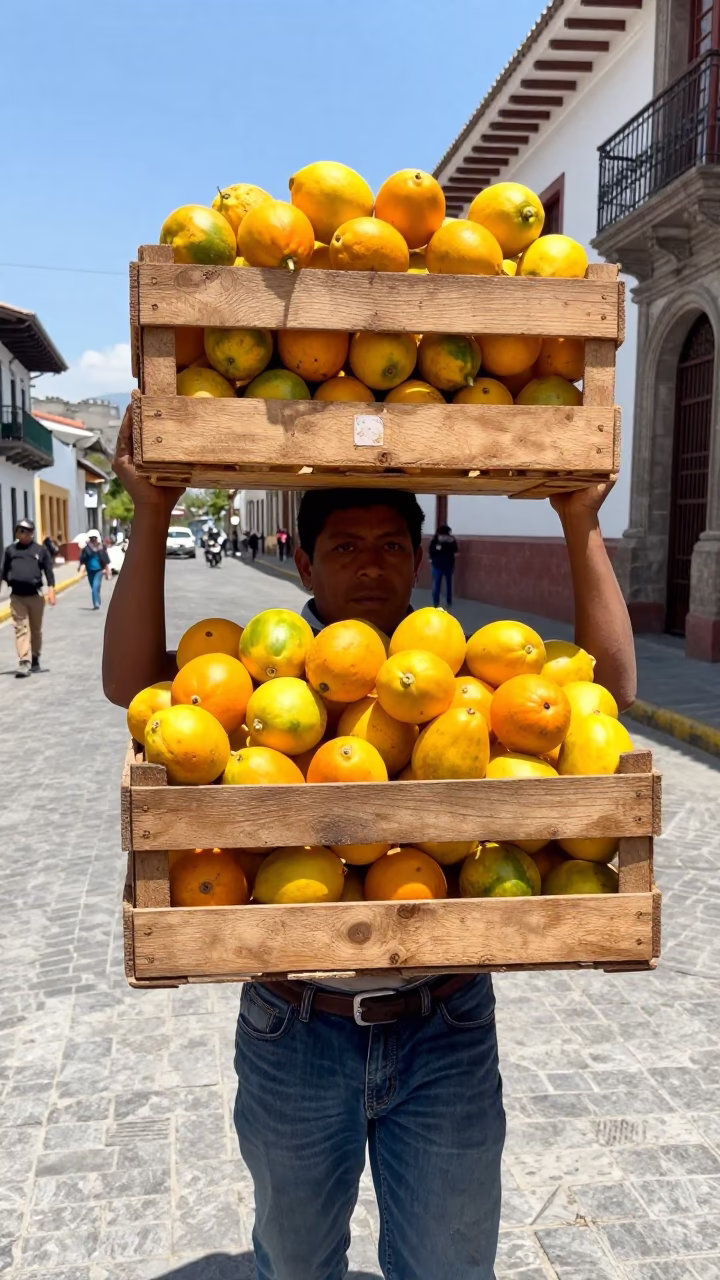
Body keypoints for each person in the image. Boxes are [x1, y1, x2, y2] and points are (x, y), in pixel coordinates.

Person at [103, 405, 636, 1280]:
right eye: (345, 547)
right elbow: (129, 683)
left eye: (391, 544)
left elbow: (607, 689)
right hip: (294, 1023)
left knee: (451, 1267)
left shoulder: (467, 668)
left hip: (447, 1018)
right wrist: (153, 511)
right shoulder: (262, 669)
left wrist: (580, 520)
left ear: (419, 558)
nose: (371, 564)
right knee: (296, 1263)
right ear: (305, 560)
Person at [1, 518, 56, 677]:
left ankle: (35, 658)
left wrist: (51, 590)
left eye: (27, 531)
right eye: (20, 530)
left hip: (35, 595)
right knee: (20, 629)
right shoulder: (10, 551)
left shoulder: (40, 550)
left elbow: (48, 571)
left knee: (36, 630)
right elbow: (2, 572)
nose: (23, 534)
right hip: (17, 597)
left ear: (32, 533)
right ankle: (24, 662)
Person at [79, 531, 111, 610]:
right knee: (93, 587)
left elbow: (105, 559)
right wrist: (80, 566)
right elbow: (82, 559)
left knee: (95, 587)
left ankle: (96, 603)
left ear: (97, 538)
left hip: (99, 570)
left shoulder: (101, 548)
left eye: (94, 538)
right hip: (90, 570)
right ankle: (97, 599)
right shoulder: (86, 548)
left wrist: (107, 569)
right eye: (91, 538)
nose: (93, 539)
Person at [428, 522, 458, 608]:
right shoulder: (435, 541)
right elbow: (432, 551)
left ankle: (449, 601)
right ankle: (436, 602)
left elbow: (455, 550)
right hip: (437, 566)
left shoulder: (451, 540)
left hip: (448, 566)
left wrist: (450, 543)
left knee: (448, 585)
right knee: (436, 585)